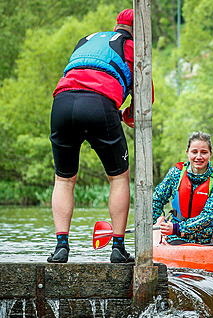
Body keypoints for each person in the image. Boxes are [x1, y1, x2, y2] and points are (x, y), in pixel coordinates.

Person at [47, 9, 145, 263]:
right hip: (99, 104)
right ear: (141, 30)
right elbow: (144, 106)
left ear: (117, 25)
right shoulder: (135, 48)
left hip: (62, 103)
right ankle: (118, 247)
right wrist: (126, 114)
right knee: (119, 178)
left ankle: (61, 246)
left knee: (64, 179)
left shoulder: (89, 38)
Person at [153, 132, 213, 245]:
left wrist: (177, 228)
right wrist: (154, 222)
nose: (198, 157)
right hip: (177, 237)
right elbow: (157, 199)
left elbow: (208, 217)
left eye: (204, 152)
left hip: (208, 237)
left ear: (210, 154)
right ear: (187, 153)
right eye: (194, 152)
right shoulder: (175, 174)